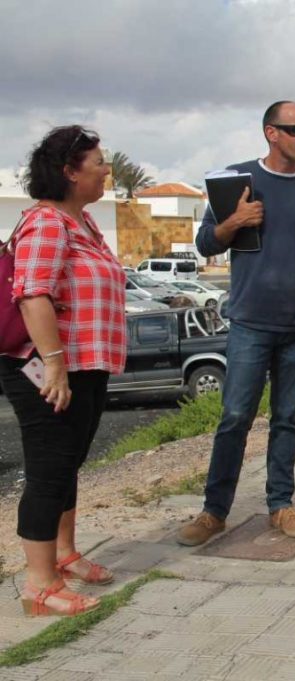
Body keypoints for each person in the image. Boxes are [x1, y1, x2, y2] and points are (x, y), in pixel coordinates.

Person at [177, 101, 295, 546]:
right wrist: (236, 221)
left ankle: (281, 506)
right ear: (271, 132)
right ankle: (214, 513)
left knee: (286, 418)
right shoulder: (237, 180)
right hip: (250, 324)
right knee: (234, 417)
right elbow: (205, 242)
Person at [0, 125, 126, 616]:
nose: (106, 171)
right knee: (48, 471)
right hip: (46, 368)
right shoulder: (48, 224)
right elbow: (32, 294)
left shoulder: (85, 224)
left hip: (85, 366)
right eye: (99, 164)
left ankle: (64, 554)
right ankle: (38, 584)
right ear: (70, 172)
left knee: (68, 464)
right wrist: (54, 367)